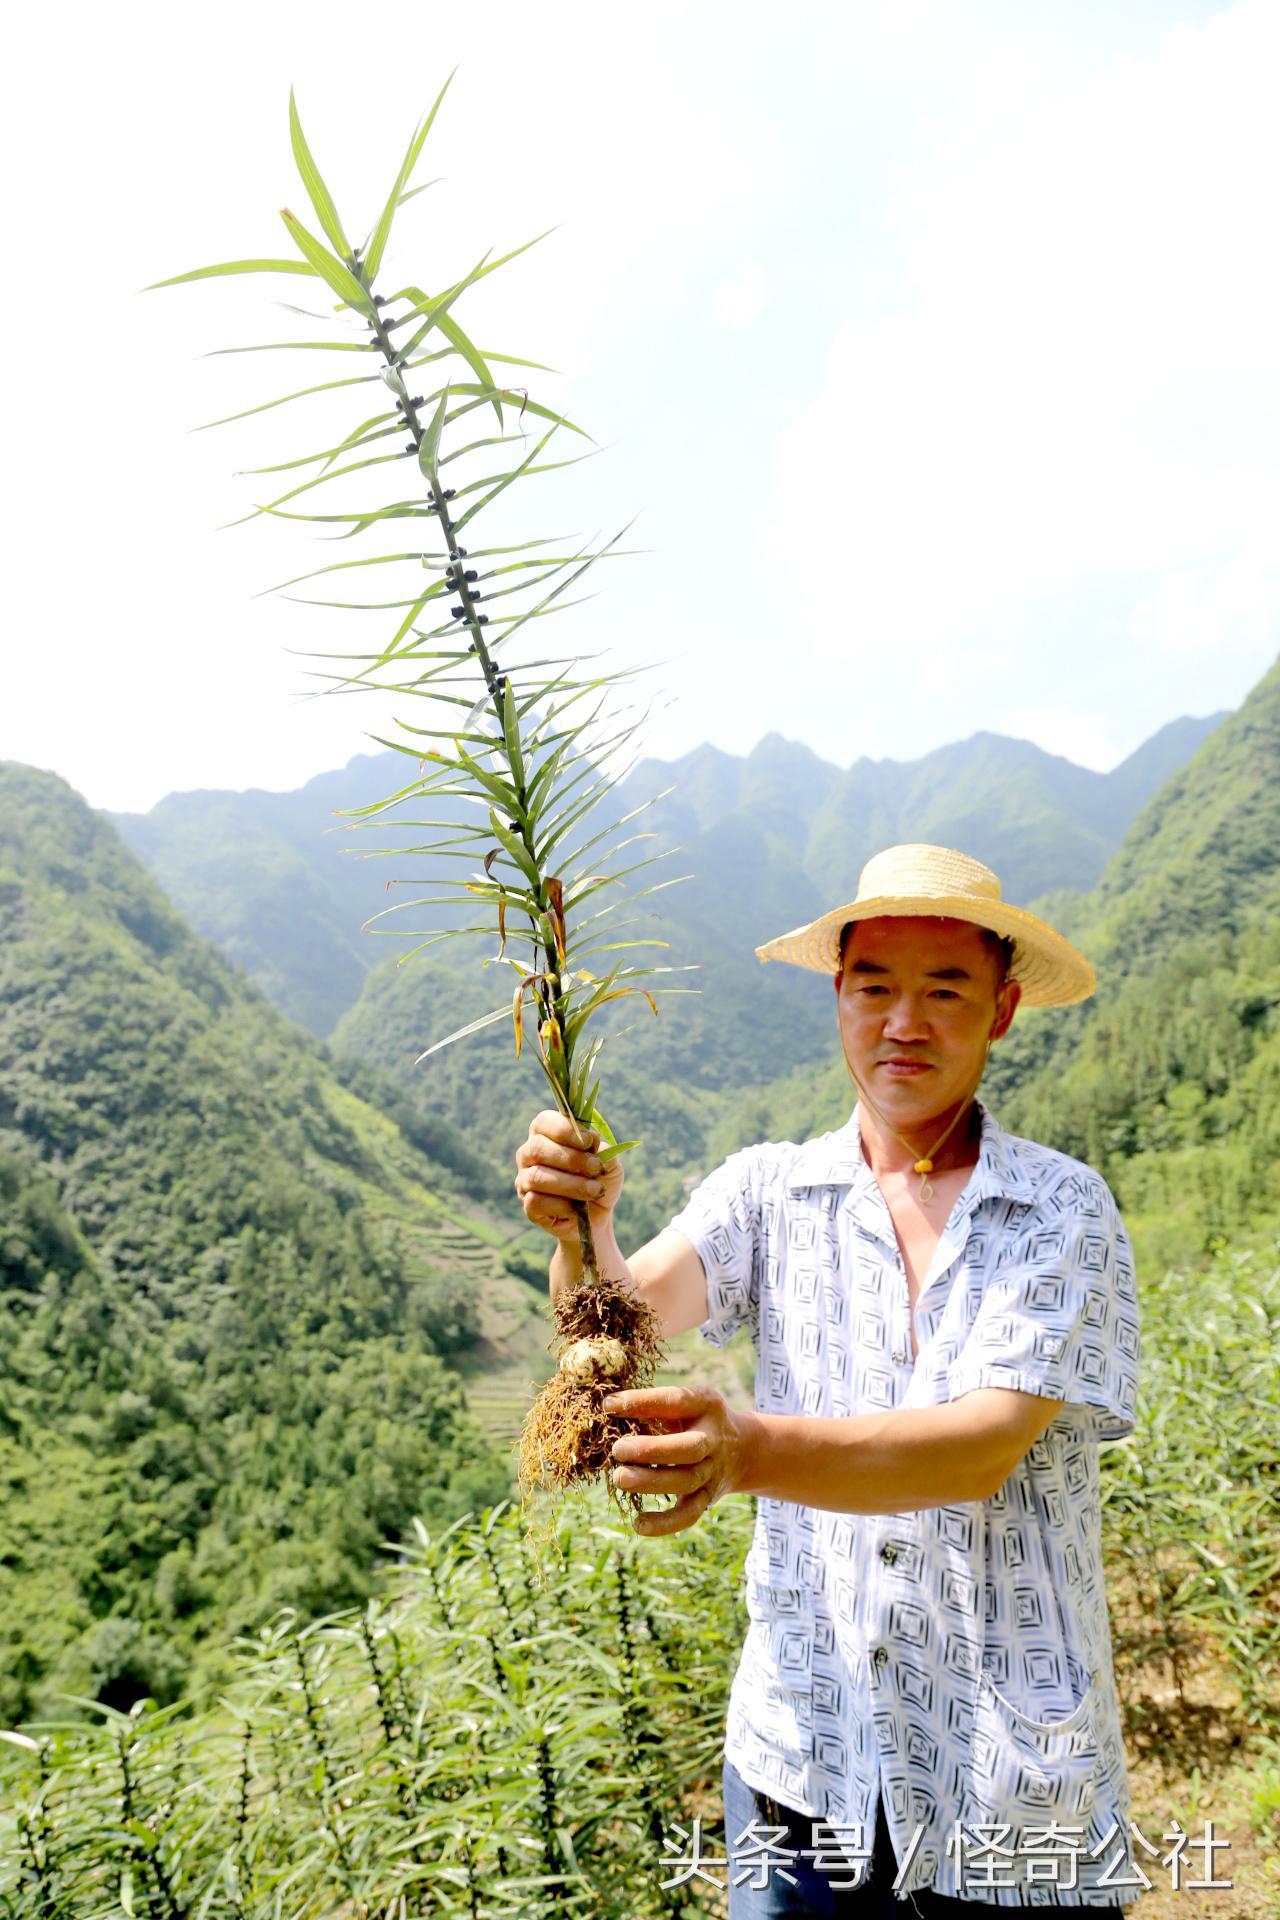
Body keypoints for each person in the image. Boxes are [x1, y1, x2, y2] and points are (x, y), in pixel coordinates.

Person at [515, 843, 1142, 1915]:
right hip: (803, 1760)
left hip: (1005, 1779)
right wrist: (581, 1224)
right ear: (837, 1001)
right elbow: (624, 1314)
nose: (903, 1022)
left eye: (943, 991)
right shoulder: (768, 1191)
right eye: (872, 989)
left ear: (1000, 1010)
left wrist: (745, 1452)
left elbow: (979, 1446)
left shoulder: (1058, 1209)